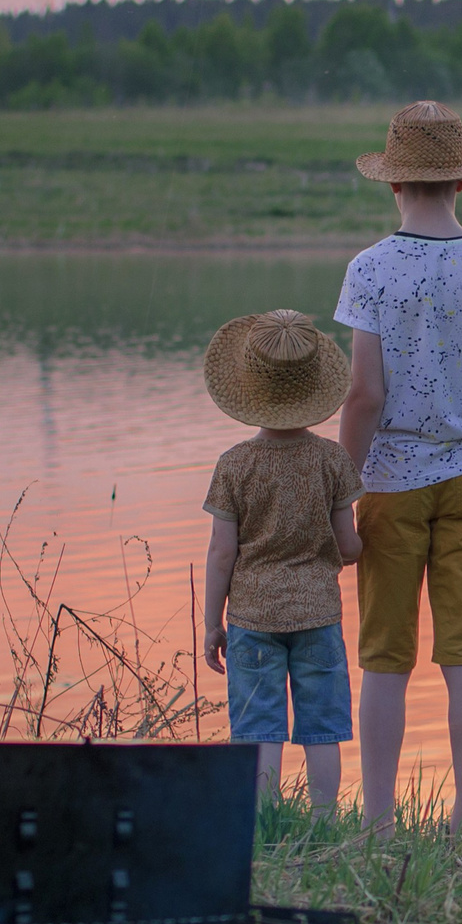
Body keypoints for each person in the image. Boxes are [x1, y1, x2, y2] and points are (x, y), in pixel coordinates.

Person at [334, 101, 462, 836]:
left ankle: (380, 822)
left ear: (394, 185)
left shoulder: (370, 269)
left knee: (385, 655)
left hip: (388, 479)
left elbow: (363, 395)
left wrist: (339, 490)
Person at [200, 309, 364, 813]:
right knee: (322, 729)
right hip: (318, 614)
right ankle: (322, 822)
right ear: (316, 388)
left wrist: (211, 625)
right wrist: (366, 546)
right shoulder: (333, 460)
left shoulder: (234, 465)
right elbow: (348, 546)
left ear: (250, 391)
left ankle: (265, 823)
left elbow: (221, 553)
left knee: (257, 727)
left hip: (251, 617)